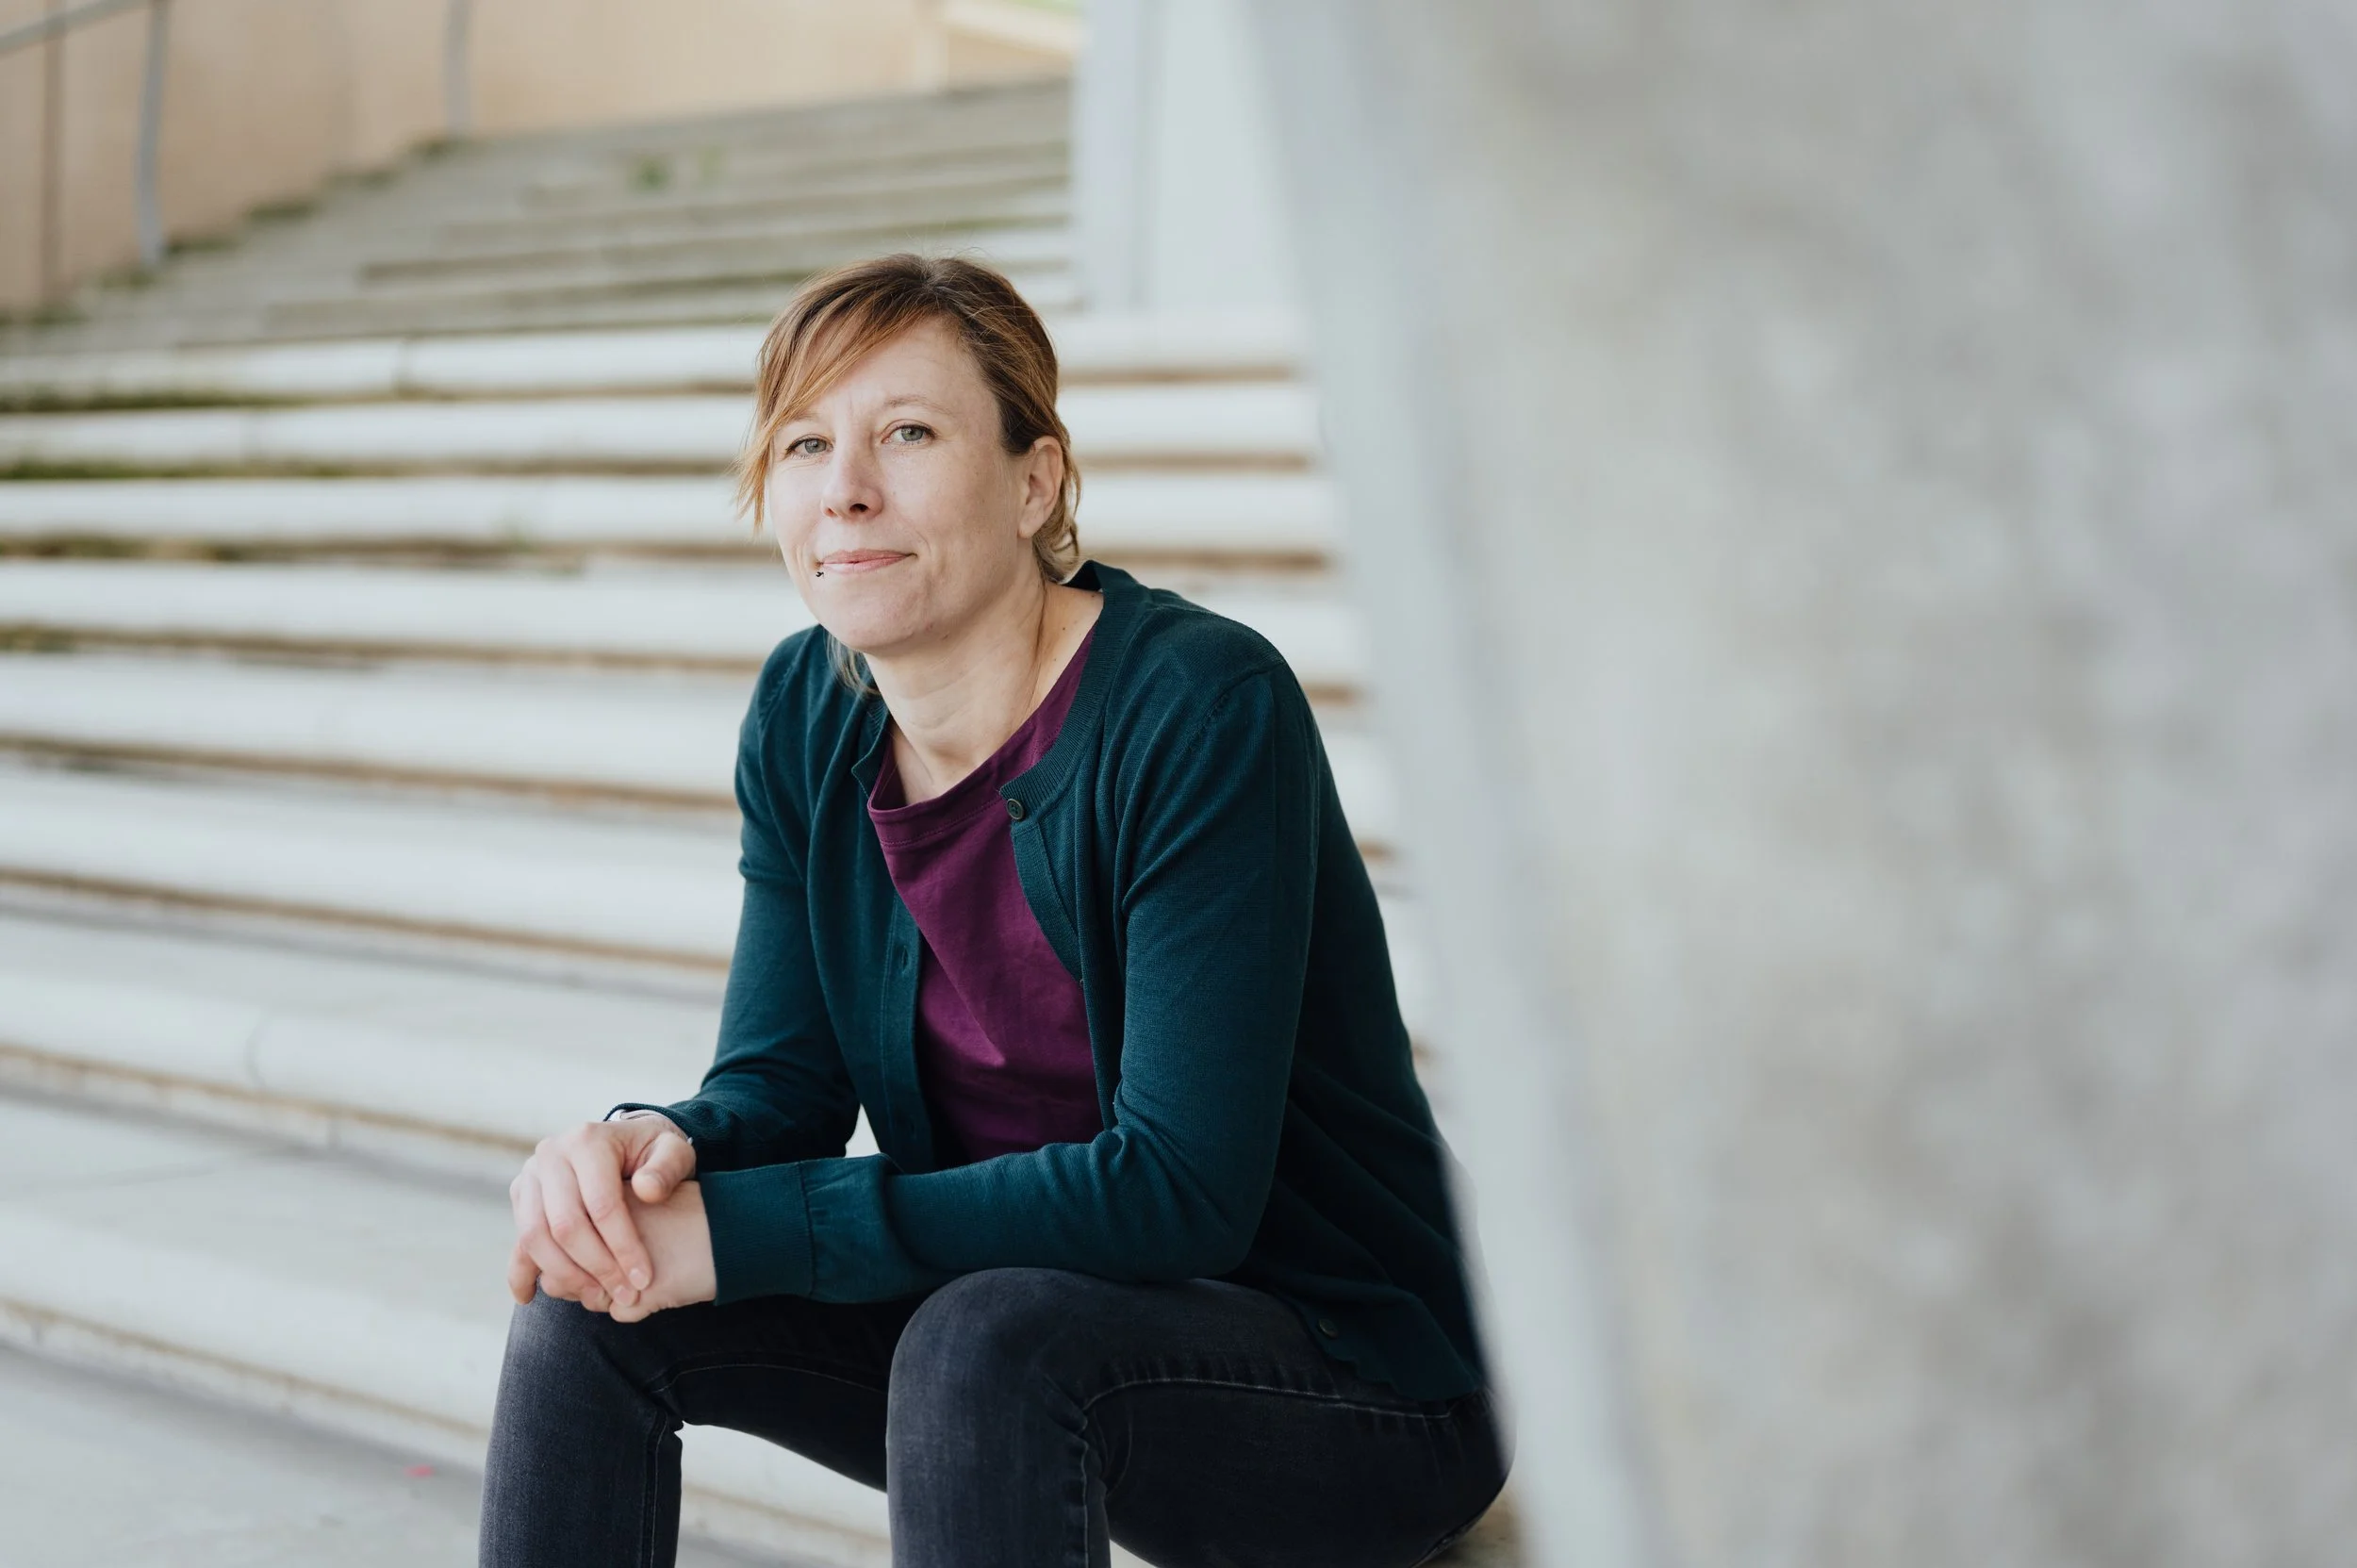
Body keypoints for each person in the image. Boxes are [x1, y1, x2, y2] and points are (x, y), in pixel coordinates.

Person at [478, 253, 1510, 1568]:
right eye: (805, 442)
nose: (845, 486)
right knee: (593, 1302)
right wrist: (640, 1155)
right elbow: (781, 1085)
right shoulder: (810, 711)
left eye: (906, 432)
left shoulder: (1197, 708)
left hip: (1350, 1373)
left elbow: (1180, 1190)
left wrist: (748, 1231)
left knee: (984, 1338)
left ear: (1036, 482)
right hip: (1024, 1329)